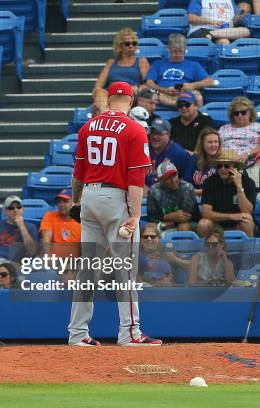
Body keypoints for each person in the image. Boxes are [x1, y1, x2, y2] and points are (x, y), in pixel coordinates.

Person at [68, 81, 161, 346]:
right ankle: (129, 333)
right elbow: (135, 179)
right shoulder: (134, 128)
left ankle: (77, 334)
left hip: (89, 195)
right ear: (131, 101)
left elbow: (78, 173)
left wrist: (77, 201)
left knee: (88, 270)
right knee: (125, 270)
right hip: (116, 198)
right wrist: (135, 215)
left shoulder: (88, 126)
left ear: (109, 100)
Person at [145, 34, 214, 108]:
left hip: (186, 94)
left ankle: (185, 106)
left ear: (185, 49)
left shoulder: (193, 65)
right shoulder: (157, 64)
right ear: (168, 49)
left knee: (198, 96)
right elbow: (149, 83)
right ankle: (180, 104)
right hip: (163, 93)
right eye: (175, 51)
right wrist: (163, 90)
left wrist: (192, 85)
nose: (178, 54)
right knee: (150, 93)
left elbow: (210, 81)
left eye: (181, 51)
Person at [198, 150, 256, 238]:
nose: (222, 169)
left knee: (247, 221)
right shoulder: (210, 182)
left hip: (238, 225)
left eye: (226, 166)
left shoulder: (248, 182)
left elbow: (247, 211)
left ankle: (247, 251)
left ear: (235, 167)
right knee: (203, 224)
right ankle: (207, 250)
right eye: (219, 166)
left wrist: (239, 187)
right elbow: (206, 213)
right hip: (217, 225)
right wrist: (232, 216)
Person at [92, 27, 150, 115]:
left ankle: (114, 115)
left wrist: (137, 87)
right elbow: (98, 84)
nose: (131, 46)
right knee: (98, 91)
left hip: (130, 92)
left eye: (134, 43)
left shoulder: (141, 61)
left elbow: (148, 83)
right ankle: (106, 115)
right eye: (127, 43)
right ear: (120, 46)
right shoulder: (111, 62)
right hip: (112, 93)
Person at [147, 162, 200, 233]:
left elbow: (187, 217)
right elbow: (151, 218)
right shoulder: (153, 191)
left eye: (174, 175)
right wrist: (168, 216)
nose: (173, 180)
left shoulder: (187, 189)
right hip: (163, 223)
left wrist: (170, 221)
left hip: (189, 224)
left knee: (183, 227)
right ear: (161, 181)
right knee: (149, 227)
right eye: (168, 178)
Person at [146, 118, 194, 186]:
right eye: (152, 133)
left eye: (159, 134)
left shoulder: (179, 154)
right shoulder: (143, 150)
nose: (154, 136)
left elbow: (187, 182)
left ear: (168, 134)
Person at [39, 188, 81, 258]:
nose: (61, 204)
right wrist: (47, 257)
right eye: (59, 201)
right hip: (53, 259)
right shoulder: (50, 216)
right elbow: (46, 237)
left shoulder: (82, 221)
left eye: (65, 201)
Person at [218, 97, 260, 163]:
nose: (240, 115)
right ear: (232, 115)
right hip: (225, 162)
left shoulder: (258, 127)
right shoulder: (223, 128)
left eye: (243, 112)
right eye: (236, 113)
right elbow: (216, 146)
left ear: (250, 113)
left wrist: (248, 154)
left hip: (250, 161)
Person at [191, 127, 221, 195]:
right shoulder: (194, 158)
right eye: (210, 142)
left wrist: (196, 192)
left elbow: (219, 189)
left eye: (216, 142)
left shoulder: (223, 162)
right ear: (202, 144)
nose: (213, 145)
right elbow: (187, 183)